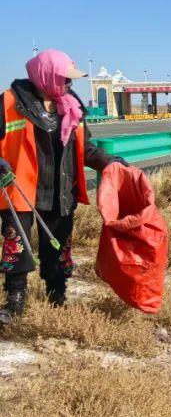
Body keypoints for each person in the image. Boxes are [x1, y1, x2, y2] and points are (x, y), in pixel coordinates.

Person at [1, 50, 127, 324]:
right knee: (17, 246)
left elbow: (85, 148)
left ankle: (56, 296)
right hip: (20, 188)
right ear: (45, 75)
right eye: (64, 78)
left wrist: (109, 162)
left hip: (60, 190)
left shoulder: (72, 107)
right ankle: (15, 302)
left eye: (71, 79)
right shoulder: (9, 101)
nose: (69, 83)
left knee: (57, 247)